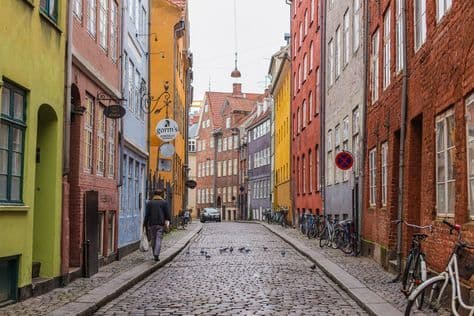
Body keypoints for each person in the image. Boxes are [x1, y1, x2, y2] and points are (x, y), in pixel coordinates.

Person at [143, 189, 171, 261]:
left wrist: (145, 223)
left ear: (154, 194)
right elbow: (167, 214)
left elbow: (147, 214)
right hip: (160, 224)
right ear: (161, 195)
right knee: (159, 239)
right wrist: (168, 221)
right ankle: (156, 254)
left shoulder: (150, 203)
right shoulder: (164, 202)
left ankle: (154, 253)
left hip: (152, 224)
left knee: (153, 239)